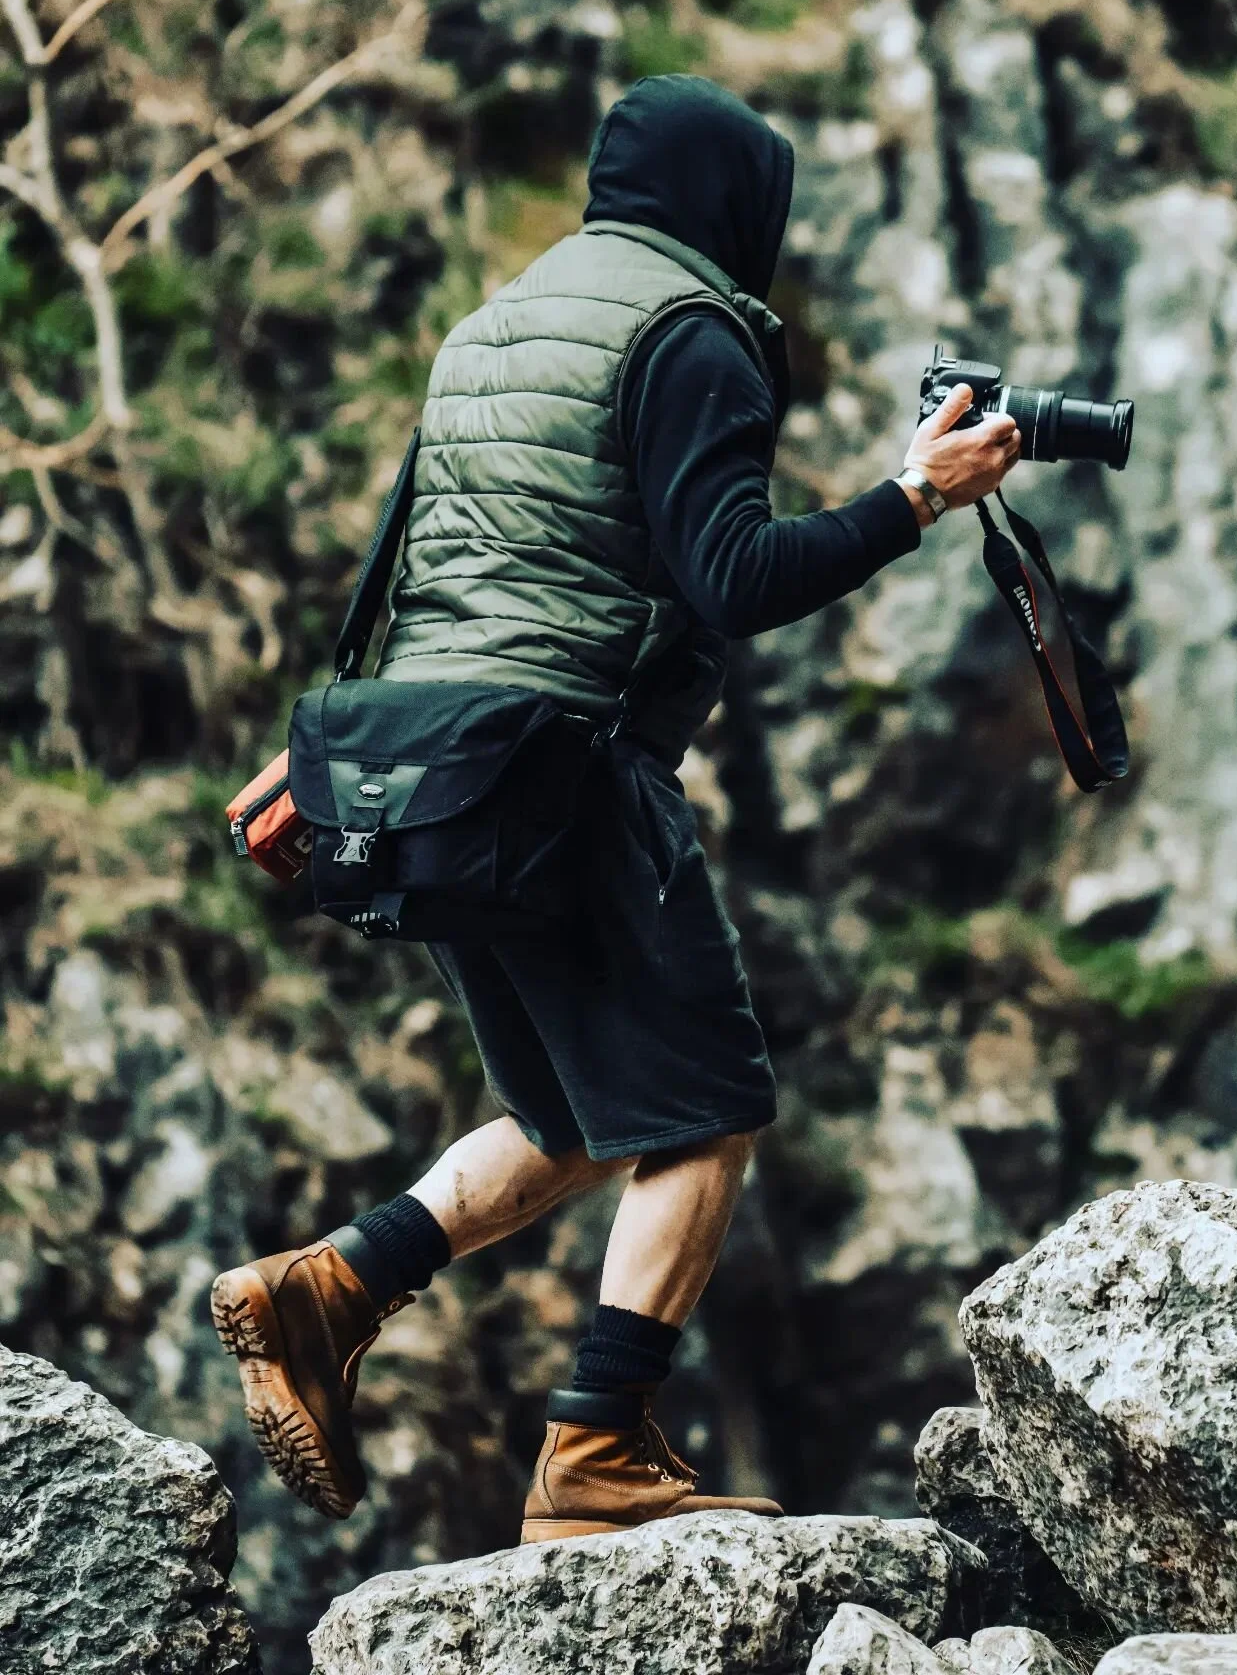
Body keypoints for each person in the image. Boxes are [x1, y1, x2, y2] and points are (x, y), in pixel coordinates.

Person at [209, 74, 1021, 1541]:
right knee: (708, 1111)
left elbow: (423, 569)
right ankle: (595, 1446)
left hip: (431, 779)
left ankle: (328, 1291)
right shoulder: (690, 331)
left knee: (574, 1115)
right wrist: (918, 495)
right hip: (567, 771)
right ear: (731, 202)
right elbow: (737, 577)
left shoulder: (496, 325)